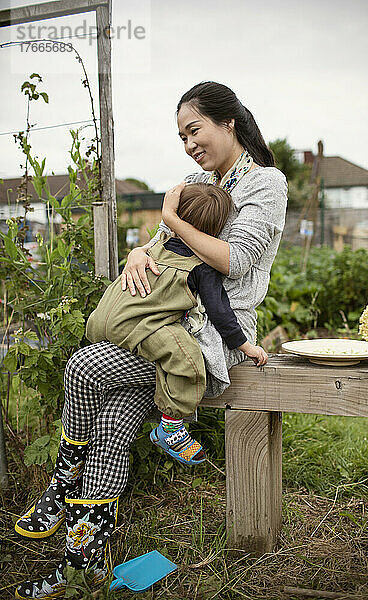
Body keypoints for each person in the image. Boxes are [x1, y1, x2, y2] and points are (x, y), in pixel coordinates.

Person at [14, 81, 287, 599]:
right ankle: (81, 565)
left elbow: (236, 261)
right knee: (113, 428)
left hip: (208, 337)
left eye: (194, 130)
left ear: (227, 123)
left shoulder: (266, 184)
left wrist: (168, 219)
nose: (188, 145)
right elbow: (165, 246)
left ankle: (60, 484)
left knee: (85, 366)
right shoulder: (194, 180)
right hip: (158, 324)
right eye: (182, 136)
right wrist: (141, 251)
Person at [85, 182, 268, 467]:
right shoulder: (202, 267)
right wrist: (246, 347)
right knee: (188, 360)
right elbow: (221, 314)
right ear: (217, 231)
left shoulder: (153, 247)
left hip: (100, 321)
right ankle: (170, 426)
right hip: (140, 326)